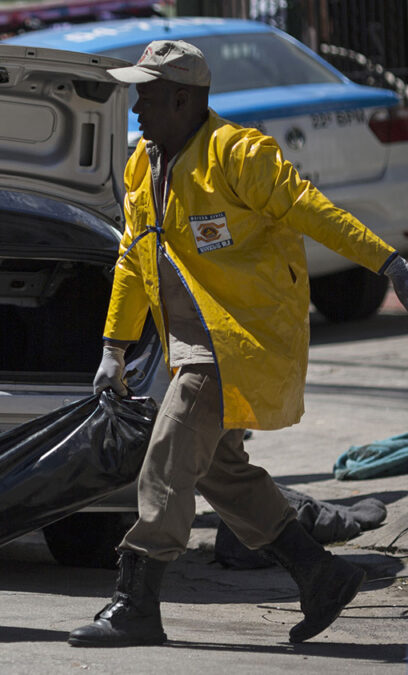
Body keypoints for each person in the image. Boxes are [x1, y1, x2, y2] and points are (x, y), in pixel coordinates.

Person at [72, 39, 408, 647]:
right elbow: (131, 260)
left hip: (242, 341)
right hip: (195, 344)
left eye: (146, 96)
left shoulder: (237, 154)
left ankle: (135, 601)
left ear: (182, 99)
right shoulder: (142, 164)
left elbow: (308, 208)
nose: (137, 109)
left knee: (169, 456)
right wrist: (113, 350)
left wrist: (385, 261)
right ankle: (321, 574)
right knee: (221, 472)